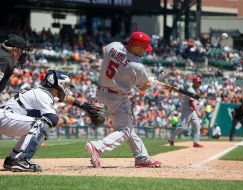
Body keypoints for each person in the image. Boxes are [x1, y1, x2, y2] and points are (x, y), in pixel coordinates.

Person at [85, 31, 161, 168]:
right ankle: (98, 147)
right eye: (144, 48)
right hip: (117, 97)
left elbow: (105, 50)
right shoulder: (138, 65)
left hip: (101, 93)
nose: (145, 51)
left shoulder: (113, 45)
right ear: (137, 47)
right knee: (125, 130)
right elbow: (142, 87)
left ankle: (142, 157)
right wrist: (149, 81)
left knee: (128, 127)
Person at [0, 70, 97, 172]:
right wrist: (66, 119)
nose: (66, 88)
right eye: (65, 84)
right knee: (41, 124)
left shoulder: (42, 92)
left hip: (6, 118)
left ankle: (12, 160)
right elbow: (54, 120)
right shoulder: (43, 95)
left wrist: (84, 106)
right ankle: (22, 159)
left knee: (35, 125)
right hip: (5, 117)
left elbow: (65, 98)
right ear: (59, 84)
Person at [168, 76, 203, 148]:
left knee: (197, 126)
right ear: (194, 82)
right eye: (197, 82)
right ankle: (171, 138)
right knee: (182, 127)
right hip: (186, 110)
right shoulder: (191, 90)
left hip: (192, 111)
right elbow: (191, 102)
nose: (198, 84)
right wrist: (197, 111)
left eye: (199, 82)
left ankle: (196, 142)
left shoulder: (194, 90)